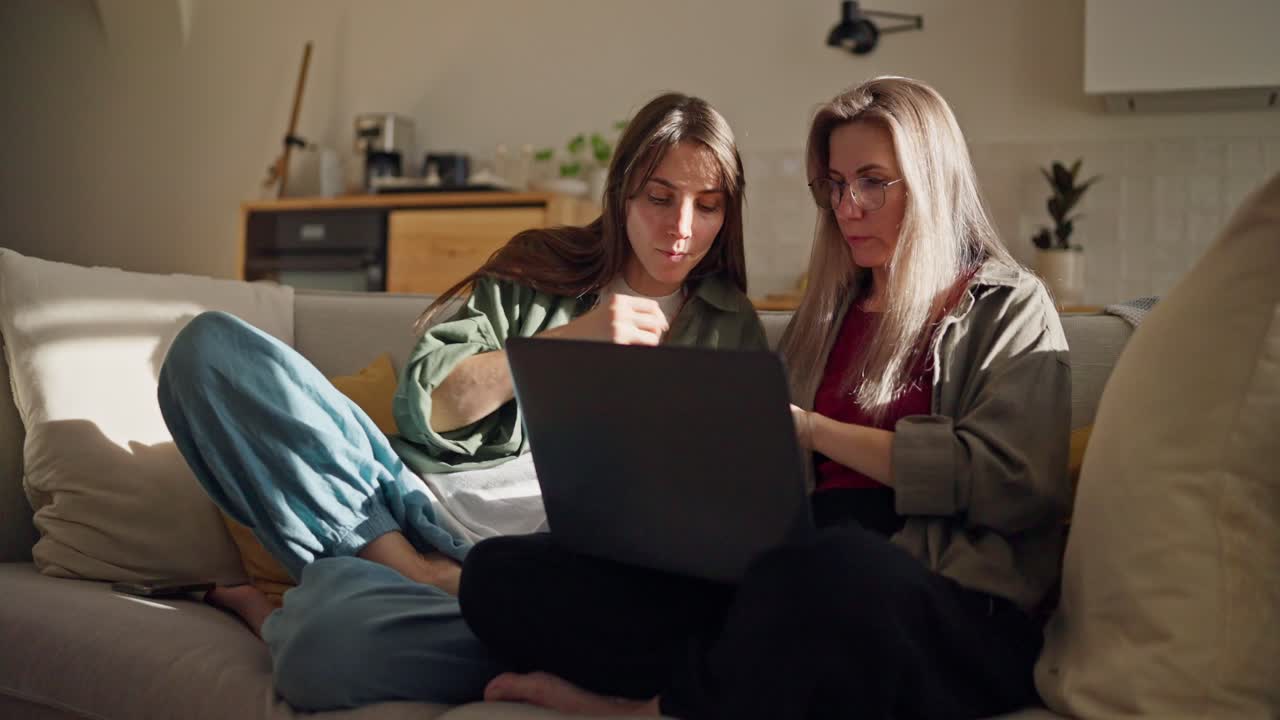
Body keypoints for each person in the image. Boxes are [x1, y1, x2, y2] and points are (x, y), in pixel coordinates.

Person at [457, 76, 1073, 720]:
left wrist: (814, 430)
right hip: (785, 580)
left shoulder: (1008, 304)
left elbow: (1015, 485)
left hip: (934, 600)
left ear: (933, 179)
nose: (848, 207)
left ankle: (655, 708)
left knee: (834, 572)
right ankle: (737, 678)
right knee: (502, 574)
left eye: (872, 182)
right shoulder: (828, 314)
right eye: (834, 185)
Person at [155, 92, 767, 710]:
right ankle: (410, 571)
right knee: (207, 354)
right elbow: (431, 405)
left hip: (541, 579)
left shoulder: (726, 324)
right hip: (406, 508)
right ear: (622, 193)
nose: (682, 227)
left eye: (708, 206)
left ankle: (304, 609)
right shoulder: (541, 265)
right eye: (660, 198)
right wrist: (567, 344)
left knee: (326, 650)